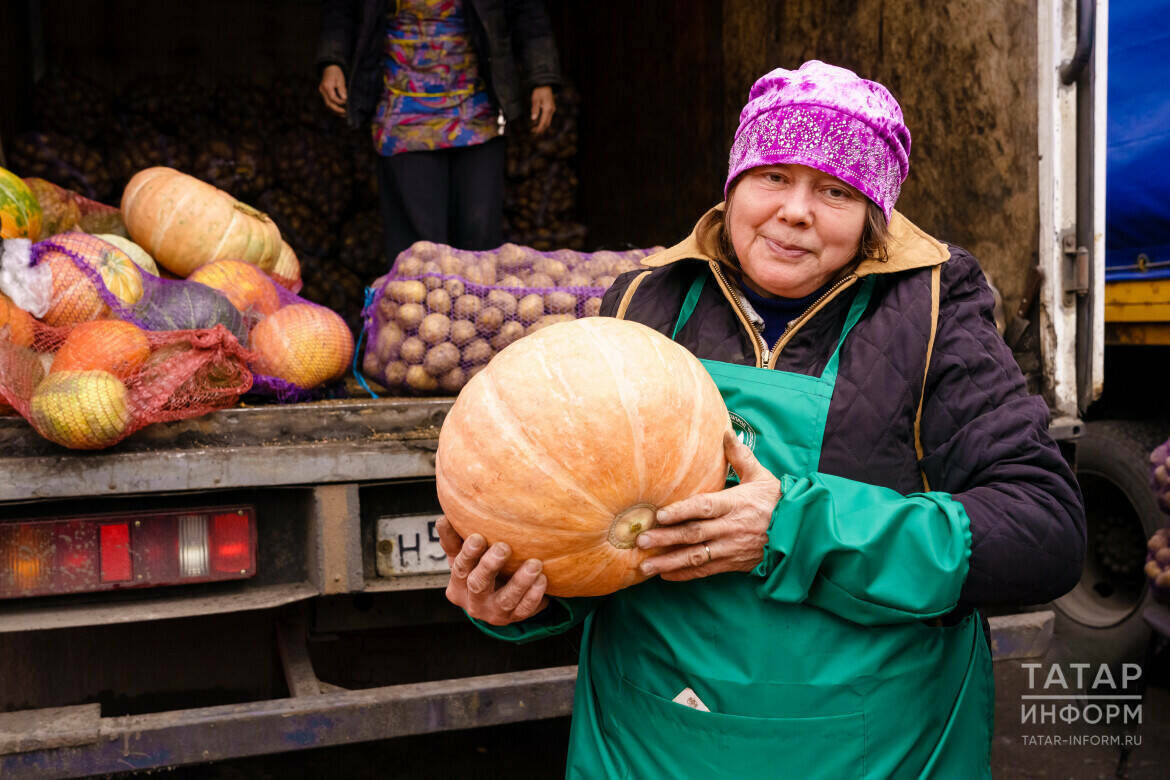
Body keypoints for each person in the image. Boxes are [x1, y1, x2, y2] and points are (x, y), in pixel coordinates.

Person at [436, 60, 1086, 778]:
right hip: (650, 744)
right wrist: (524, 598)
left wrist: (794, 527)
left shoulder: (932, 317)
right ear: (734, 184)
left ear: (876, 216)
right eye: (773, 175)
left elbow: (1043, 531)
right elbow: (590, 537)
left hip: (869, 748)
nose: (796, 210)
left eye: (835, 190)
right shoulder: (643, 305)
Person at [316, 0, 562, 266]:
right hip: (403, 114)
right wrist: (332, 60)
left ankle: (471, 307)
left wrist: (542, 78)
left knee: (478, 242)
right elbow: (341, 10)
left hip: (476, 110)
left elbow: (528, 12)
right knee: (420, 253)